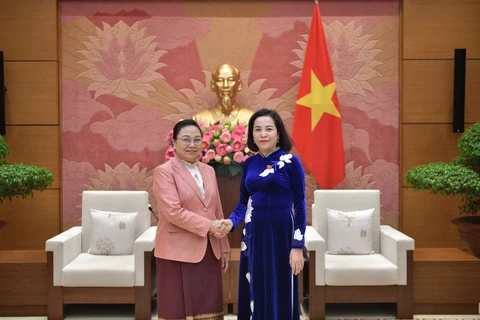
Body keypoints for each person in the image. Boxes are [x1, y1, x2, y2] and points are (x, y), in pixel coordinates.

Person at [220, 108, 307, 320]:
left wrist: (297, 246)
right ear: (252, 135)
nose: (263, 134)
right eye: (257, 130)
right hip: (253, 236)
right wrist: (231, 223)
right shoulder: (249, 163)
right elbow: (243, 202)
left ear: (278, 133)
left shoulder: (290, 162)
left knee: (280, 287)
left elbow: (301, 204)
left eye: (269, 129)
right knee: (254, 285)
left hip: (282, 235)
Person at [153, 119, 231, 320]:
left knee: (209, 307)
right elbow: (173, 212)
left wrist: (223, 247)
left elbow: (217, 211)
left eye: (197, 140)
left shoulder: (209, 170)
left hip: (209, 249)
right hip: (176, 251)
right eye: (186, 140)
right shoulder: (164, 172)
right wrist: (209, 226)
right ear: (173, 143)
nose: (192, 145)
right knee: (177, 309)